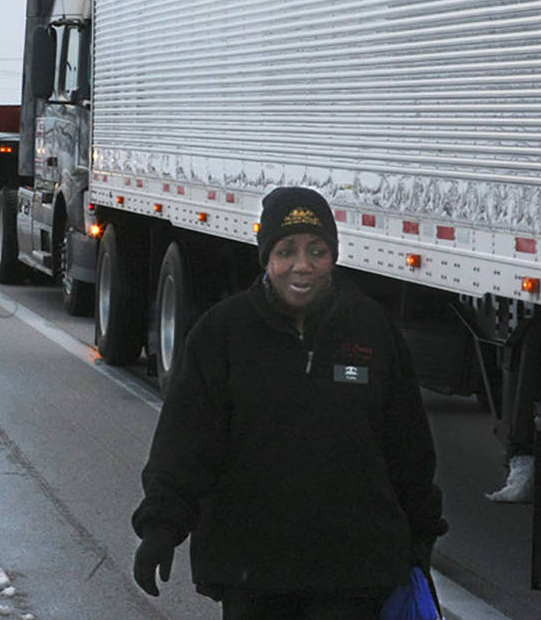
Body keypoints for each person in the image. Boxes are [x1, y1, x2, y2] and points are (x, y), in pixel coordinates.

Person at [132, 186, 448, 619]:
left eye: (317, 250)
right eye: (287, 251)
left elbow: (408, 448)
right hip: (253, 572)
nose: (303, 266)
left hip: (352, 575)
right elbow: (186, 443)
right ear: (266, 258)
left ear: (333, 256)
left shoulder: (373, 331)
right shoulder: (222, 334)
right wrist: (161, 527)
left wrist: (420, 538)